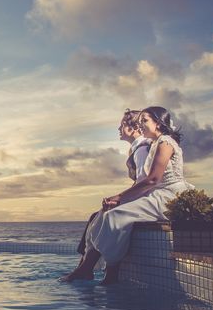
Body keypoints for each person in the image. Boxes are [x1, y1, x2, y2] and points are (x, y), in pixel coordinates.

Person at [61, 106, 192, 285]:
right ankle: (92, 269)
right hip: (158, 193)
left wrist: (119, 198)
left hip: (169, 196)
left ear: (158, 123)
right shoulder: (155, 143)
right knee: (102, 215)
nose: (141, 125)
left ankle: (104, 271)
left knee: (115, 215)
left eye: (145, 121)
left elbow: (152, 180)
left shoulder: (166, 142)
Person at [73, 109, 151, 259]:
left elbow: (143, 181)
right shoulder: (136, 148)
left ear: (134, 128)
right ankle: (85, 264)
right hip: (139, 196)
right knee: (95, 216)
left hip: (144, 199)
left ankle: (86, 265)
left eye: (122, 125)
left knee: (98, 216)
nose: (118, 129)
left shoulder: (141, 149)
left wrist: (119, 199)